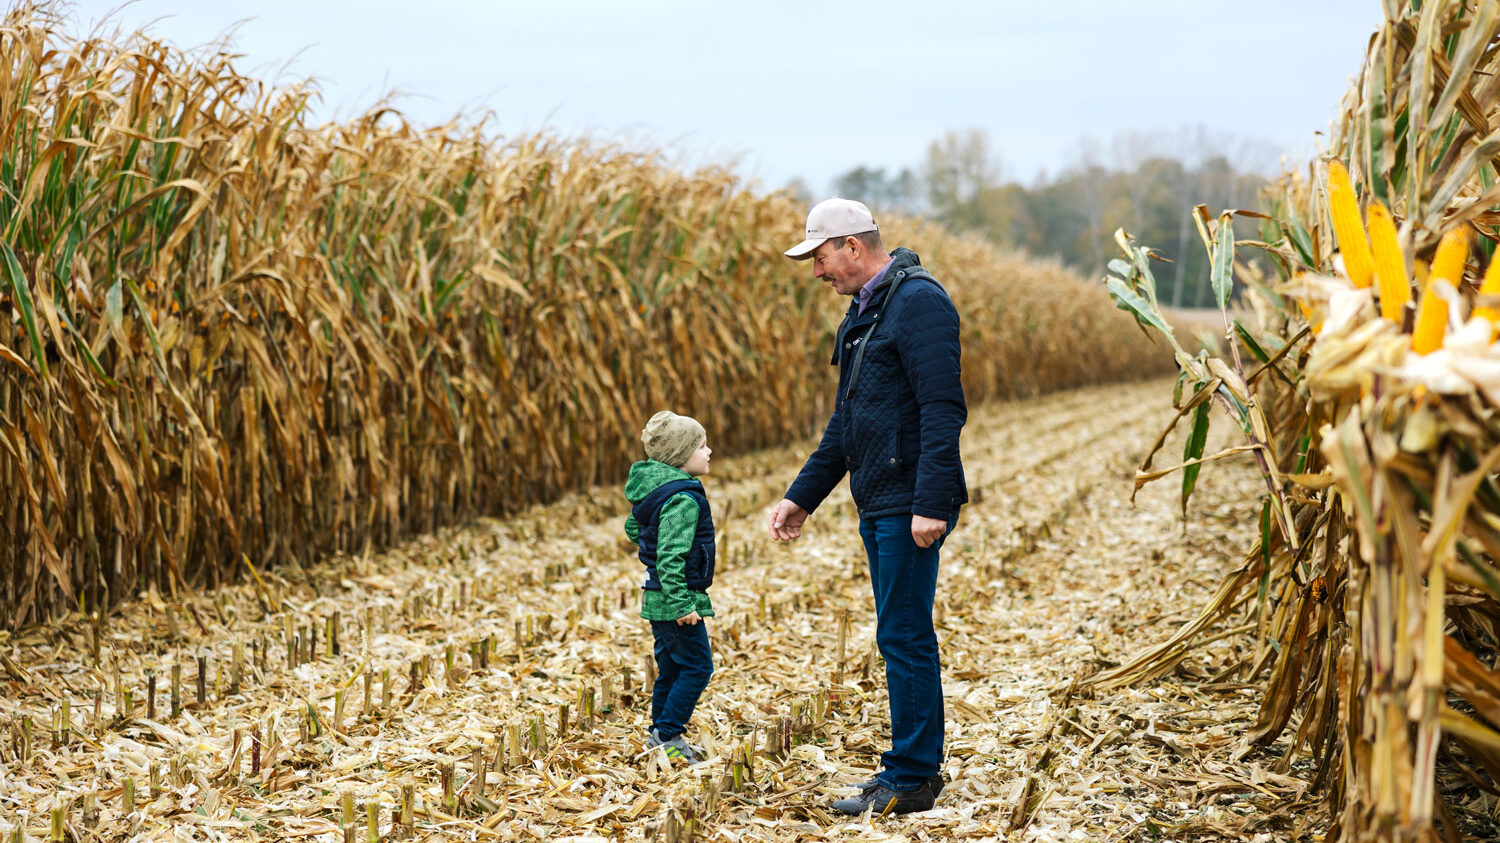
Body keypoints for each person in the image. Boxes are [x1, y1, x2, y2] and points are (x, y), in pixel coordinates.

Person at [768, 197, 967, 816]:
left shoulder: (918, 302)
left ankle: (911, 778)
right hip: (880, 498)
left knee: (904, 636)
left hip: (908, 502)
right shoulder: (866, 311)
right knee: (898, 634)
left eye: (821, 258)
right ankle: (911, 769)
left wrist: (930, 502)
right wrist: (801, 496)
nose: (817, 271)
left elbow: (943, 408)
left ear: (853, 246)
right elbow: (847, 423)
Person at [625, 411, 717, 765]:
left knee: (672, 668)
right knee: (697, 668)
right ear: (680, 455)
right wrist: (682, 604)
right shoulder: (682, 499)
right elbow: (671, 556)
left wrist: (650, 541)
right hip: (675, 600)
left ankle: (659, 733)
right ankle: (669, 733)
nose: (709, 452)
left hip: (656, 596)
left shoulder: (657, 490)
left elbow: (633, 527)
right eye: (701, 446)